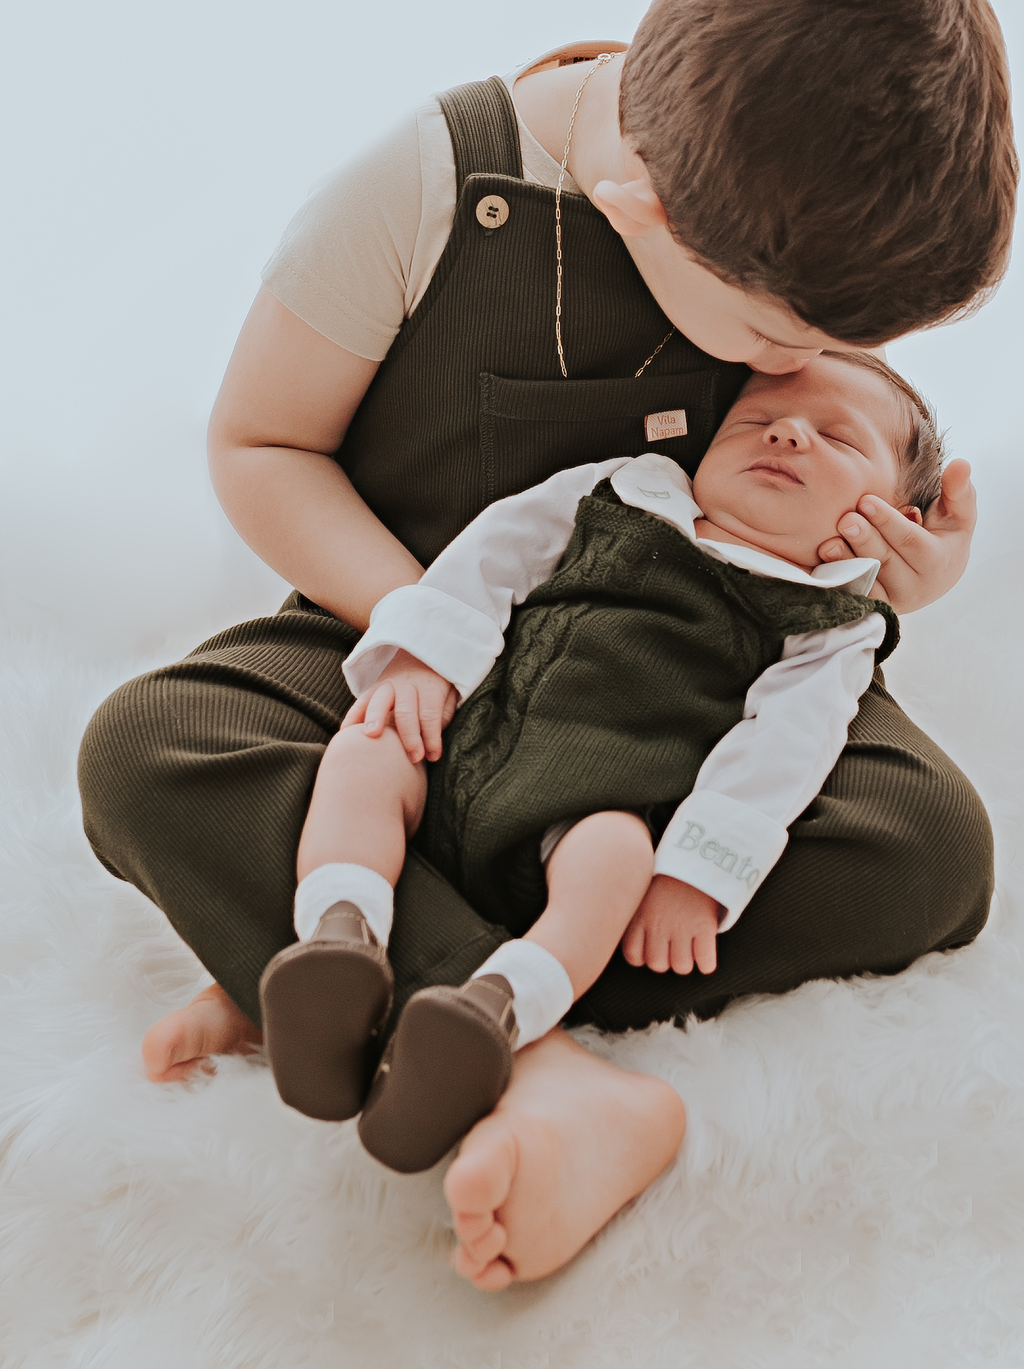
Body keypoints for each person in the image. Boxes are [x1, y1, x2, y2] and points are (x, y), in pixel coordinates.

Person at [78, 0, 1016, 1290]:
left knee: (929, 844)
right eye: (781, 341)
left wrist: (891, 571)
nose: (803, 370)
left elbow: (834, 458)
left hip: (679, 681)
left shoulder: (777, 212)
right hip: (399, 637)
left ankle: (341, 937)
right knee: (149, 745)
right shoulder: (417, 191)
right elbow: (261, 444)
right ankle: (546, 1070)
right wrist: (431, 634)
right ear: (640, 213)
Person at [257, 353, 943, 1185]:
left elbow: (786, 746)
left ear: (895, 520)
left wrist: (697, 873)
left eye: (837, 437)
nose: (787, 432)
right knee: (369, 744)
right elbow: (495, 553)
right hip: (464, 738)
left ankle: (493, 1012)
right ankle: (341, 935)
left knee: (616, 859)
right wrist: (422, 660)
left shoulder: (829, 619)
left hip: (587, 808)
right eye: (755, 419)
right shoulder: (622, 491)